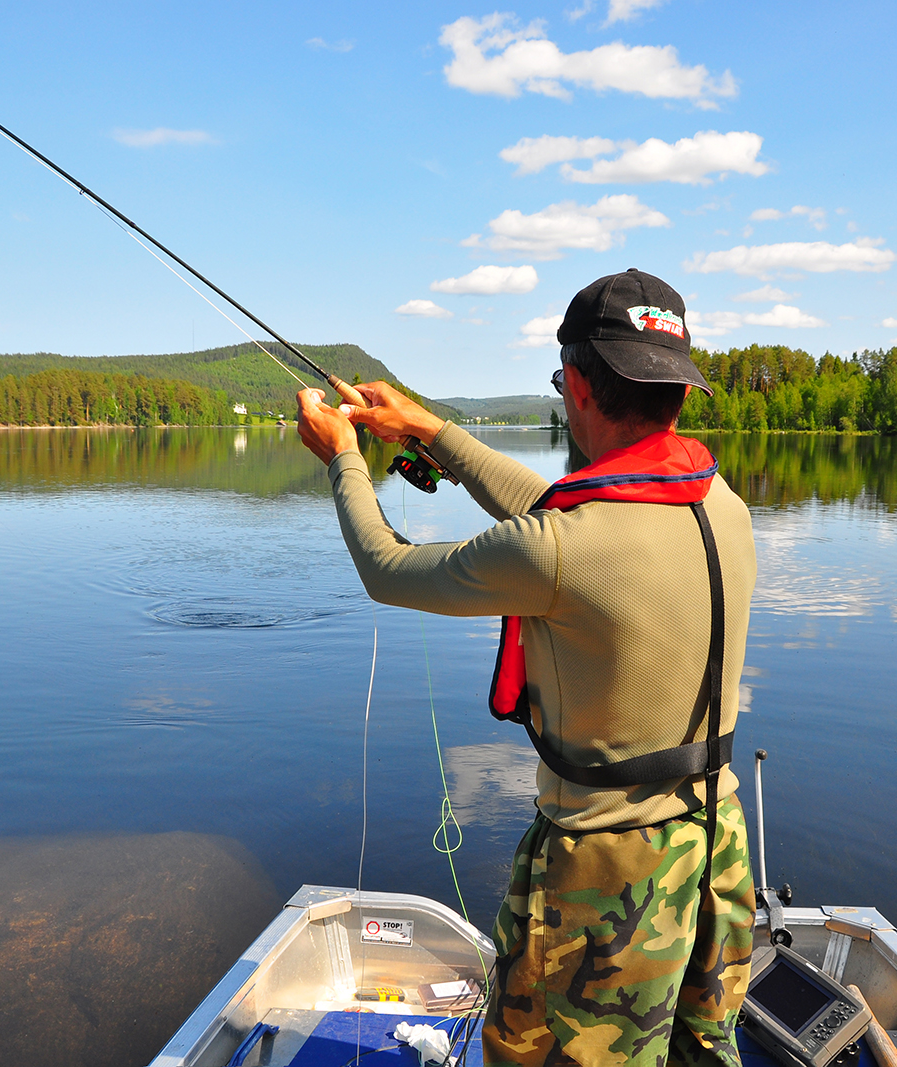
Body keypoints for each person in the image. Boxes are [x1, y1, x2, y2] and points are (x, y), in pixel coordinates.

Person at [296, 269, 758, 1067]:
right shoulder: (723, 504)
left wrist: (344, 455)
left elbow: (386, 565)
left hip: (609, 878)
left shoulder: (560, 549)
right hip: (716, 847)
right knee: (700, 1054)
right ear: (679, 395)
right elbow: (558, 510)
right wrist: (429, 429)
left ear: (575, 387)